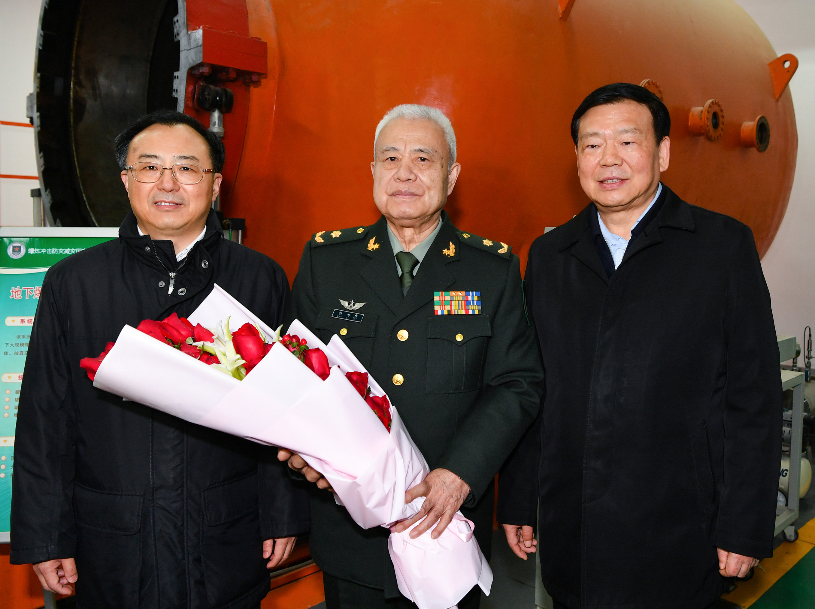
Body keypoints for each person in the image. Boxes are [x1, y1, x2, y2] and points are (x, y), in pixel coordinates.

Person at [10, 109, 309, 608]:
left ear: (215, 185)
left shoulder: (260, 278)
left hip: (226, 536)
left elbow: (285, 410)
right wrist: (46, 537)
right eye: (149, 167)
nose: (168, 183)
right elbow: (46, 420)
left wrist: (282, 513)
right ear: (126, 181)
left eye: (187, 168)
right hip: (113, 543)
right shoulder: (74, 283)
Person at [498, 83, 781, 609]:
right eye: (592, 145)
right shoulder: (551, 256)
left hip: (678, 528)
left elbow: (753, 399)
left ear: (663, 152)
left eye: (628, 142)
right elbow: (532, 388)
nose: (609, 159)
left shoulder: (720, 248)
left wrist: (744, 523)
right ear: (577, 158)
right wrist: (517, 497)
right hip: (572, 527)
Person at [278, 104, 544, 608]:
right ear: (372, 171)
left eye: (423, 158)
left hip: (445, 526)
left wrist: (461, 473)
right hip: (351, 532)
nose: (404, 172)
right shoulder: (326, 261)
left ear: (451, 176)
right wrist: (305, 454)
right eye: (390, 157)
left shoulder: (491, 270)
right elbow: (298, 373)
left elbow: (517, 384)